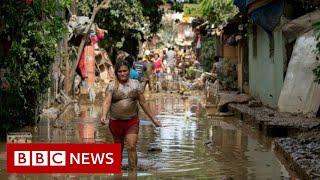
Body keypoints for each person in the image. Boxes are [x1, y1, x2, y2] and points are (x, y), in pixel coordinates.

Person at [100, 60, 161, 172]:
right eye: (120, 71)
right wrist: (103, 115)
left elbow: (143, 103)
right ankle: (116, 170)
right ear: (116, 73)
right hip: (115, 122)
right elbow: (107, 102)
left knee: (131, 146)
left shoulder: (135, 85)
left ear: (129, 71)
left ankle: (133, 172)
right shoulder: (112, 85)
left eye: (125, 71)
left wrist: (154, 119)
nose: (123, 73)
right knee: (118, 148)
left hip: (131, 122)